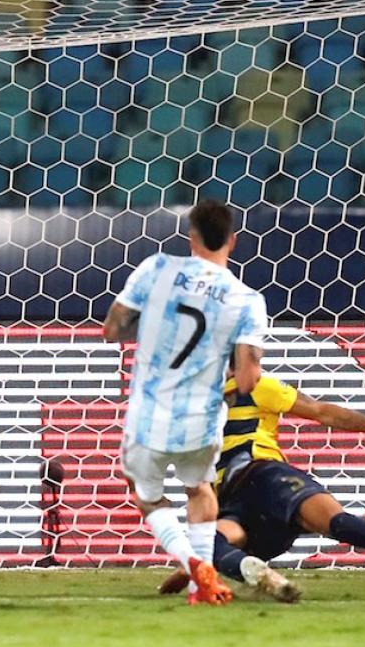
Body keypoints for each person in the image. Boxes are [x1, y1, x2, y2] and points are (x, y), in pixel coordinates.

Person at [157, 374, 365, 602]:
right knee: (345, 526)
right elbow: (321, 412)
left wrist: (193, 566)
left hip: (241, 497)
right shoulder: (242, 391)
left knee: (213, 542)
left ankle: (253, 572)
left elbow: (193, 489)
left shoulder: (193, 408)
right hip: (262, 483)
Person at [103, 199, 269, 605]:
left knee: (145, 492)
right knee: (199, 489)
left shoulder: (156, 269)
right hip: (203, 420)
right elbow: (248, 380)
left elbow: (112, 329)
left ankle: (191, 561)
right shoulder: (247, 299)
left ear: (191, 237)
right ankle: (201, 586)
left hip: (149, 417)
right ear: (233, 240)